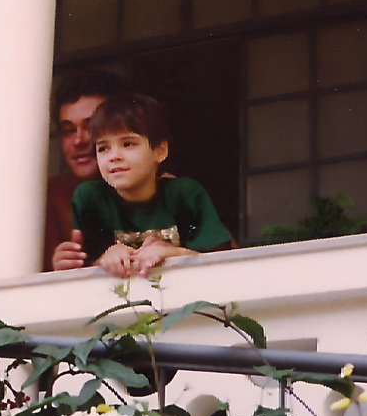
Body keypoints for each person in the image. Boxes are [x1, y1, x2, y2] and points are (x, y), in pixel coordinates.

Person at [51, 93, 233, 278]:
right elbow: (85, 271)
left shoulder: (184, 194)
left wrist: (174, 253)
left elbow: (223, 262)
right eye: (103, 148)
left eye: (128, 144)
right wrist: (96, 261)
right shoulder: (90, 198)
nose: (114, 156)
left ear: (160, 151)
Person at [42, 69, 130, 270]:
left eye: (92, 127)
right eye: (68, 130)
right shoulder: (50, 196)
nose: (79, 140)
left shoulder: (165, 189)